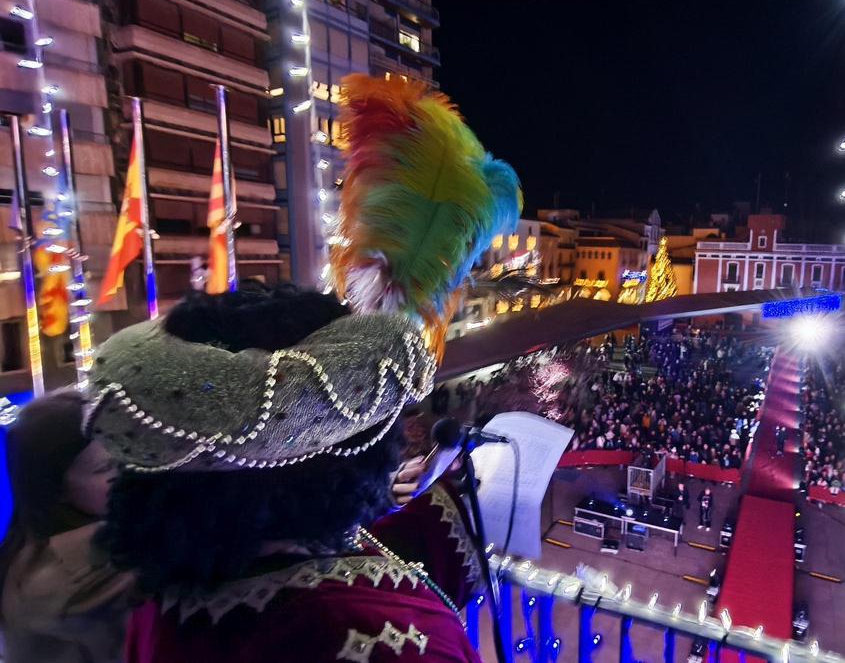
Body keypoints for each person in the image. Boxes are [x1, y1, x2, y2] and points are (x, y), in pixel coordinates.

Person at [90, 74, 522, 662]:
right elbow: (344, 594)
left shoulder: (171, 597)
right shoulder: (376, 641)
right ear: (326, 473)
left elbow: (321, 568)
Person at [1, 390, 134, 663]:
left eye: (127, 454)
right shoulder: (83, 575)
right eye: (105, 468)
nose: (129, 474)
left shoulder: (29, 542)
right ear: (55, 488)